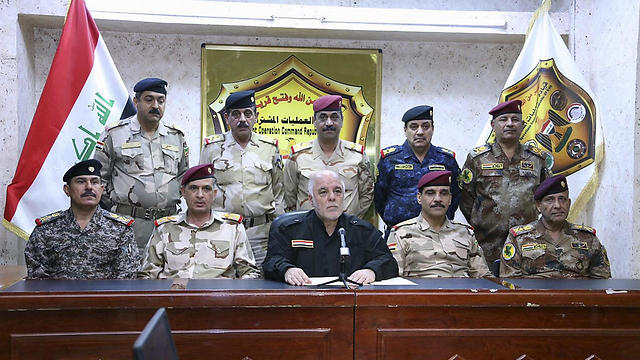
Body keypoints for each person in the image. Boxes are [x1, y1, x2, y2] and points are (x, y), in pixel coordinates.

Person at [94, 77, 189, 254]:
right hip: (128, 224)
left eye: (161, 100)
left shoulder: (176, 136)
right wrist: (119, 208)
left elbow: (183, 177)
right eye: (149, 99)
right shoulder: (115, 134)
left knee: (165, 278)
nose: (156, 105)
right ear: (136, 101)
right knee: (129, 278)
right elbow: (99, 180)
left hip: (169, 225)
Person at [264, 170, 397, 286]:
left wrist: (371, 270)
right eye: (323, 192)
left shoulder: (362, 230)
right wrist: (287, 270)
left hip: (349, 302)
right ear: (311, 200)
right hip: (303, 302)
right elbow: (271, 262)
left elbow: (388, 261)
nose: (332, 197)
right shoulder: (289, 229)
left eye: (337, 191)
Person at [459, 99, 551, 266]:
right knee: (488, 289)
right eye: (503, 119)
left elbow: (547, 195)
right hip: (486, 243)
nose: (510, 124)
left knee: (526, 289)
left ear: (523, 125)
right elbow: (465, 198)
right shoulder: (477, 158)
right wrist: (483, 222)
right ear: (493, 125)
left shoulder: (537, 158)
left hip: (528, 242)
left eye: (515, 119)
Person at [199, 90, 284, 268]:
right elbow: (202, 190)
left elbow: (278, 192)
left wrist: (280, 232)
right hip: (222, 233)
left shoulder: (270, 148)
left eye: (248, 113)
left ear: (256, 116)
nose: (242, 119)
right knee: (221, 285)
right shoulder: (212, 148)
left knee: (261, 287)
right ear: (227, 118)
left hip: (261, 235)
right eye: (236, 114)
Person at [139, 164, 260, 279]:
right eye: (193, 188)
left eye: (206, 189)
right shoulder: (164, 228)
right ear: (183, 192)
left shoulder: (232, 227)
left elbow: (250, 273)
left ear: (214, 194)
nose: (200, 195)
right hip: (174, 297)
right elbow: (147, 275)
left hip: (218, 297)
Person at [24, 160, 139, 279]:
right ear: (67, 189)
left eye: (94, 182)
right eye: (81, 182)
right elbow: (37, 277)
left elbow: (127, 275)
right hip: (59, 296)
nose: (89, 187)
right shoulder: (46, 230)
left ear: (101, 189)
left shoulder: (120, 229)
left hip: (106, 297)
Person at [500, 175, 610, 278]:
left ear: (569, 203)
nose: (557, 206)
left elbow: (601, 281)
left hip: (577, 298)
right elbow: (509, 284)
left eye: (562, 199)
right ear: (539, 206)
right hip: (533, 297)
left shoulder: (588, 239)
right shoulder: (519, 239)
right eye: (550, 200)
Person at [375, 105, 461, 237]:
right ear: (405, 130)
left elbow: (455, 195)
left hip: (439, 234)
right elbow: (379, 197)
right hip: (398, 234)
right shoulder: (390, 159)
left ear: (433, 129)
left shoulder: (446, 160)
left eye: (425, 126)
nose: (420, 132)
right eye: (414, 127)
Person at [284, 95, 373, 219]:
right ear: (314, 122)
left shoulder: (357, 155)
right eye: (323, 117)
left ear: (342, 121)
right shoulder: (297, 155)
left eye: (335, 117)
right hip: (308, 230)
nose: (329, 123)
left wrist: (351, 219)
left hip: (346, 230)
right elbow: (289, 196)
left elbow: (367, 195)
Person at [388, 171, 492, 278]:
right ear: (419, 198)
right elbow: (394, 279)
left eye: (444, 193)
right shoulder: (401, 233)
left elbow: (483, 275)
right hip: (420, 292)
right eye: (430, 193)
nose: (438, 199)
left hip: (460, 291)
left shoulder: (465, 232)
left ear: (450, 199)